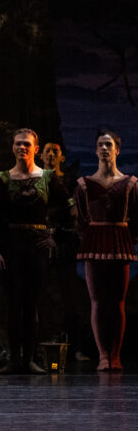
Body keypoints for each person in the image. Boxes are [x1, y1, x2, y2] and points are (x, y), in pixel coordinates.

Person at [0, 128, 72, 374]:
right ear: (12, 148)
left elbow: (69, 208)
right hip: (12, 246)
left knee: (32, 303)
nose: (22, 148)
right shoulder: (2, 178)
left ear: (35, 148)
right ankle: (13, 359)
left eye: (26, 144)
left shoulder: (47, 177)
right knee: (13, 304)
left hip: (36, 247)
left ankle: (29, 359)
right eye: (17, 144)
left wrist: (56, 238)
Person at [73, 130, 137, 372]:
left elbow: (136, 219)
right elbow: (79, 219)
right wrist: (88, 237)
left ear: (117, 150)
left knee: (118, 302)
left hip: (120, 241)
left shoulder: (130, 184)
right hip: (95, 242)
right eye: (100, 145)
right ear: (95, 149)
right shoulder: (84, 185)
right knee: (98, 301)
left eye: (108, 145)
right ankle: (103, 355)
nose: (104, 149)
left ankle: (116, 354)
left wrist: (129, 239)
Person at [40, 140, 88, 362]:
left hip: (64, 242)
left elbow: (76, 215)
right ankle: (41, 347)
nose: (51, 154)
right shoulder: (35, 180)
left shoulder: (70, 183)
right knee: (42, 295)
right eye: (47, 151)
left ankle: (75, 347)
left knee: (69, 293)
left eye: (55, 151)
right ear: (41, 155)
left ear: (62, 157)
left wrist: (61, 240)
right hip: (40, 242)